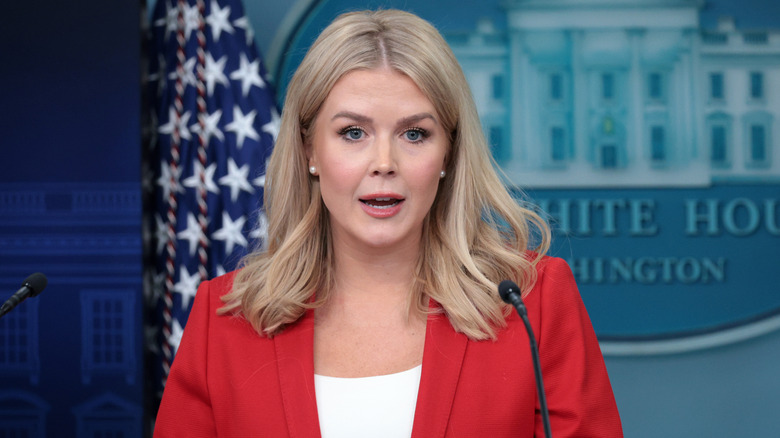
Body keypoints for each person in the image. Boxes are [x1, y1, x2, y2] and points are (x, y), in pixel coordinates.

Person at [154, 9, 623, 437]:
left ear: (449, 154)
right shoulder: (224, 319)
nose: (384, 162)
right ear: (309, 151)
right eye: (352, 133)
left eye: (414, 134)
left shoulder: (534, 303)